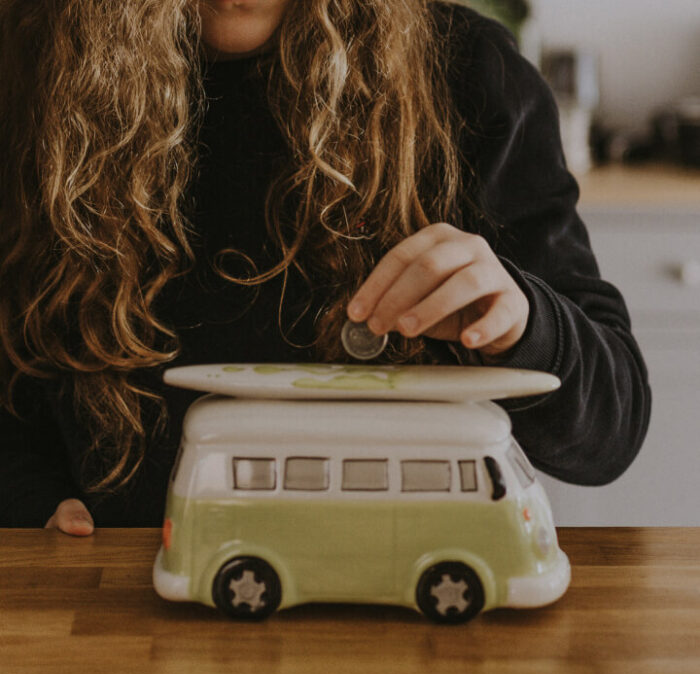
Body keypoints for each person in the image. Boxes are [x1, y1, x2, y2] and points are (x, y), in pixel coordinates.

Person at [0, 0, 651, 534]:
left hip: (405, 609)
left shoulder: (471, 72)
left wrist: (524, 323)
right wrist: (28, 496)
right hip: (124, 616)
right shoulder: (32, 65)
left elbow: (611, 433)